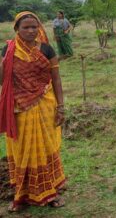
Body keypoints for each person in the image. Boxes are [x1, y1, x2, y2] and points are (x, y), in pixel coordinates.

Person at [0, 11, 66, 211]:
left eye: (34, 27)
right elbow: (2, 79)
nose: (30, 31)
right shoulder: (9, 49)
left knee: (45, 148)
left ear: (39, 28)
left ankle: (50, 192)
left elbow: (56, 79)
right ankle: (21, 194)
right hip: (19, 108)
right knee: (23, 151)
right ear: (16, 29)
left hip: (45, 104)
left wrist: (61, 106)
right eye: (25, 27)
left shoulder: (47, 49)